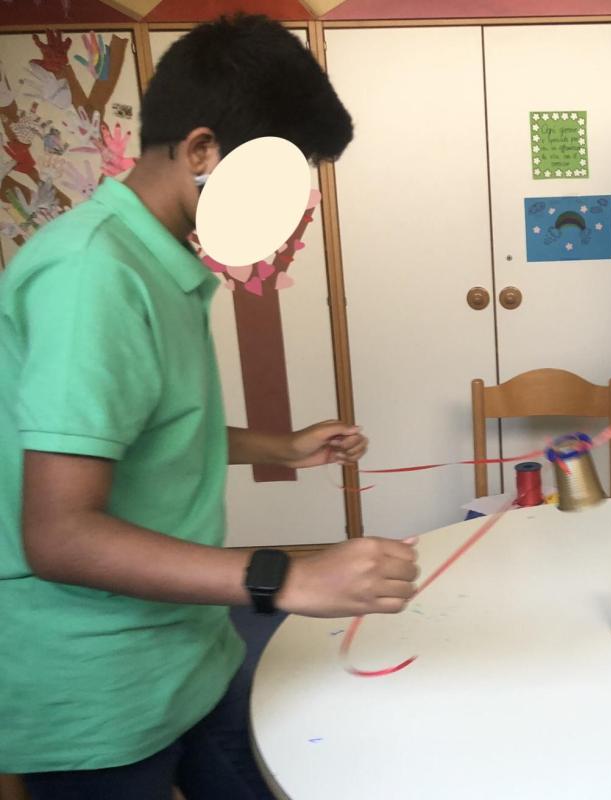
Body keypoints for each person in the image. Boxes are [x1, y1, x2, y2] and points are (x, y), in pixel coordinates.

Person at [0, 15, 418, 800]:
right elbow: (59, 535)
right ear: (200, 152)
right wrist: (285, 578)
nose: (292, 211)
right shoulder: (93, 275)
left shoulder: (158, 260)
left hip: (192, 647)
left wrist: (281, 447)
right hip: (101, 693)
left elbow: (136, 434)